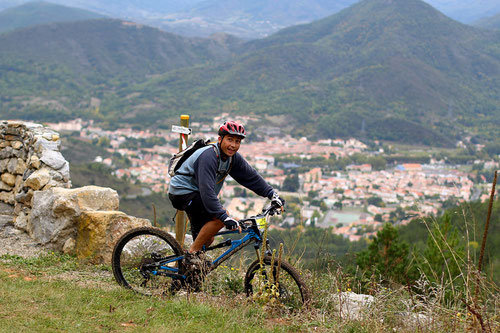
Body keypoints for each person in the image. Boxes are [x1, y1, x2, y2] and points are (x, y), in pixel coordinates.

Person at [168, 120, 284, 258]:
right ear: (220, 139)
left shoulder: (232, 158)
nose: (233, 145)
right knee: (219, 219)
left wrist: (272, 195)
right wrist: (224, 217)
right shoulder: (209, 156)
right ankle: (190, 256)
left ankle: (188, 273)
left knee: (207, 238)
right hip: (183, 193)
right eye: (229, 139)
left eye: (237, 142)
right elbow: (207, 192)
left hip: (198, 195)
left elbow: (251, 177)